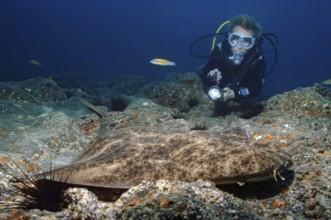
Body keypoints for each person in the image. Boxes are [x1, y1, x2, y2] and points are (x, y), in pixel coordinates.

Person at [199, 14, 266, 102]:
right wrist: (211, 76)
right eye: (235, 38)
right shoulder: (219, 49)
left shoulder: (257, 59)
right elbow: (206, 75)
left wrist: (235, 93)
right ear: (229, 36)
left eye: (246, 41)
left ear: (254, 42)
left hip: (240, 93)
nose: (239, 47)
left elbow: (255, 89)